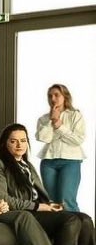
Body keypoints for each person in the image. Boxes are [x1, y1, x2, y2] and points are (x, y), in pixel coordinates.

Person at [0, 123, 96, 245]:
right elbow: (2, 199)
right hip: (24, 215)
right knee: (71, 221)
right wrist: (38, 207)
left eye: (23, 140)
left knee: (85, 218)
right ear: (5, 144)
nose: (19, 145)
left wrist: (50, 205)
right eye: (13, 141)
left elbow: (38, 195)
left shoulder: (28, 166)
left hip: (40, 210)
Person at [36, 83, 86, 213]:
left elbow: (77, 140)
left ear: (65, 97)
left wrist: (59, 126)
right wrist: (51, 120)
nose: (53, 98)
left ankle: (78, 226)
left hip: (70, 162)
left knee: (67, 201)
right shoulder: (43, 119)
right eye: (50, 96)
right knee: (52, 202)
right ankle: (56, 226)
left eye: (56, 95)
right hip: (48, 162)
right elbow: (43, 138)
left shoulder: (75, 115)